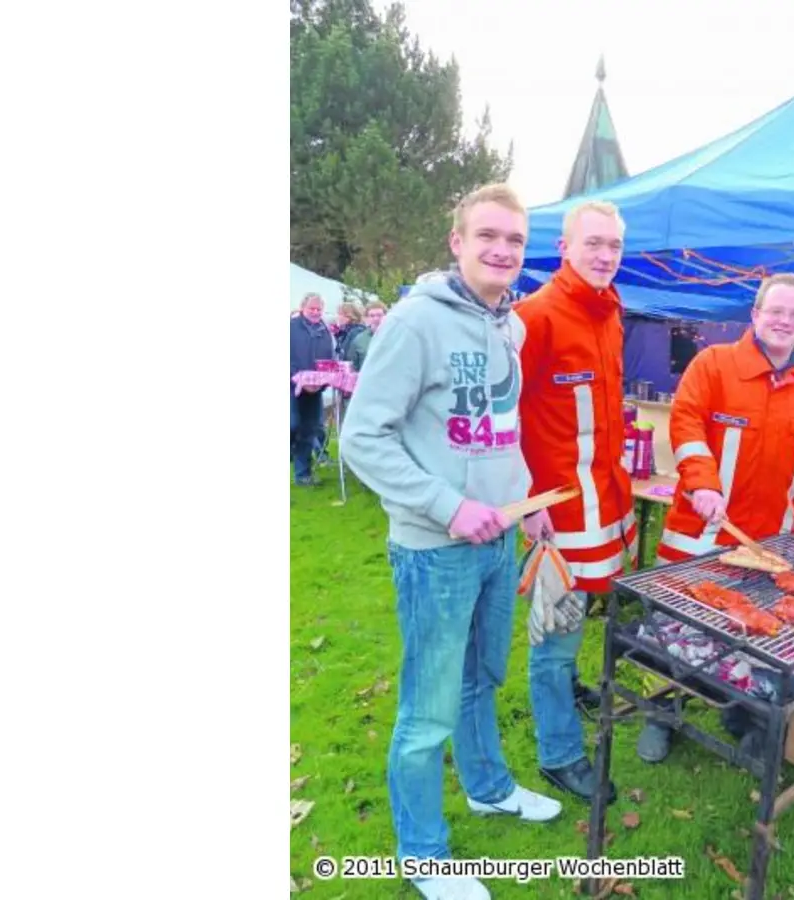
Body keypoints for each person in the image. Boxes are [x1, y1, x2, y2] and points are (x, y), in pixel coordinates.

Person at [340, 183, 559, 900]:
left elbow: (501, 428)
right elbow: (361, 437)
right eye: (488, 236)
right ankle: (424, 855)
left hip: (499, 537)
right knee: (427, 710)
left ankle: (488, 788)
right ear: (457, 242)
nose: (502, 250)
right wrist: (447, 506)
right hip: (435, 550)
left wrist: (527, 501)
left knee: (481, 679)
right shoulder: (414, 323)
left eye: (515, 240)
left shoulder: (510, 326)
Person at [635, 273, 794, 764]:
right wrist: (703, 482)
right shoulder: (714, 365)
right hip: (700, 534)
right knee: (673, 630)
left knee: (752, 635)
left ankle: (744, 717)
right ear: (756, 314)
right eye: (776, 311)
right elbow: (686, 423)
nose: (784, 321)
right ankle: (660, 713)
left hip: (766, 545)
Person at [512, 200, 633, 804]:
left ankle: (570, 684)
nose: (605, 256)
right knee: (554, 634)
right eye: (593, 243)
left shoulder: (611, 312)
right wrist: (524, 500)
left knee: (579, 612)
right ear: (564, 248)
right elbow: (502, 418)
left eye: (614, 245)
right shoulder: (533, 317)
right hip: (558, 510)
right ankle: (559, 753)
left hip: (603, 501)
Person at [290, 292, 335, 486]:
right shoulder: (291, 327)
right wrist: (297, 378)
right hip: (291, 386)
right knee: (292, 424)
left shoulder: (324, 331)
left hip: (315, 389)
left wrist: (320, 382)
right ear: (302, 308)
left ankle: (303, 474)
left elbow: (329, 359)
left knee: (309, 429)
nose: (316, 312)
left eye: (319, 309)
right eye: (312, 309)